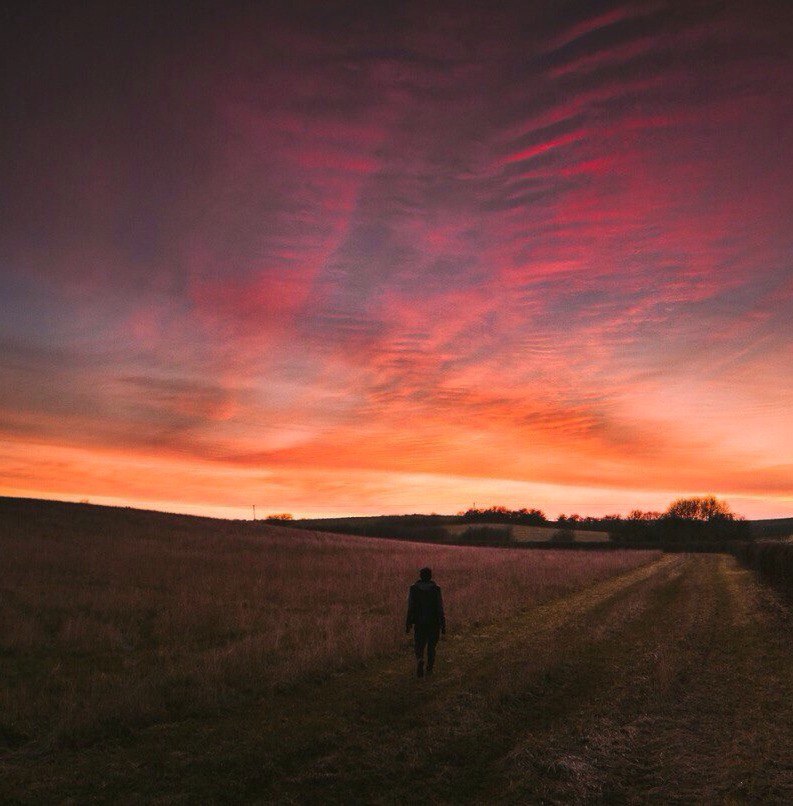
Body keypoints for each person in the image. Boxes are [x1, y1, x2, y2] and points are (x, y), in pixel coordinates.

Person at [405, 566, 446, 677]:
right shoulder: (436, 589)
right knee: (431, 646)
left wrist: (408, 623)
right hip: (434, 622)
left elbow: (410, 607)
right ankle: (429, 668)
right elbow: (440, 608)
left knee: (419, 645)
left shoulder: (413, 589)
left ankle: (420, 660)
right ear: (430, 576)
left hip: (419, 622)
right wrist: (443, 624)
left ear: (420, 576)